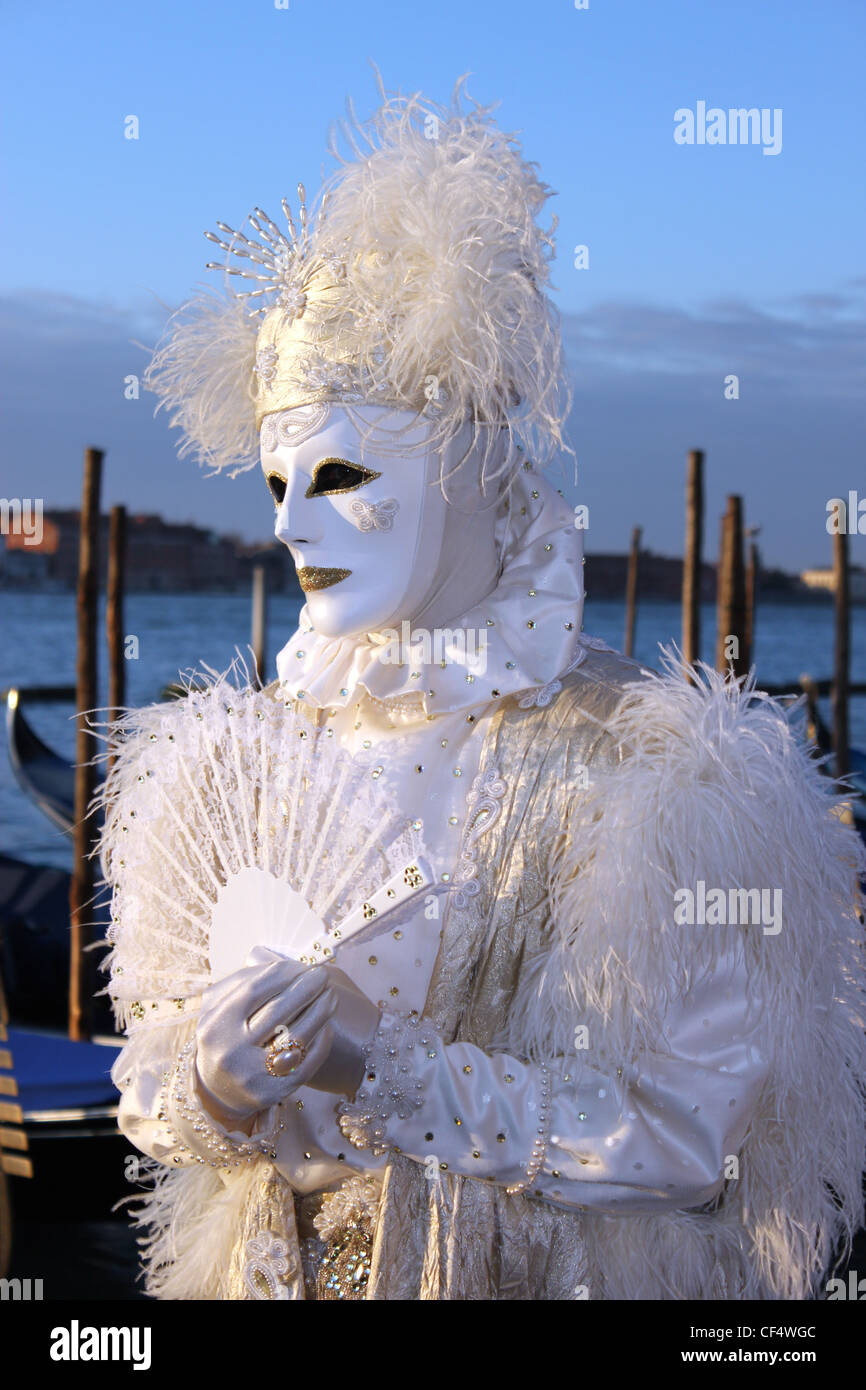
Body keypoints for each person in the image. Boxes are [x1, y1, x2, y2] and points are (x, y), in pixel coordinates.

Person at [100, 76, 866, 1301]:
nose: (293, 527)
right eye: (274, 485)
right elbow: (146, 1082)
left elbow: (689, 1138)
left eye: (341, 471)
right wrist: (209, 1082)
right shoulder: (244, 756)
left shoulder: (652, 774)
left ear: (462, 463)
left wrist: (382, 1070)